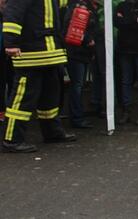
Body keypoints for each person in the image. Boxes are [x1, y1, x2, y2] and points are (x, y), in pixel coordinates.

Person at [1, 0, 77, 153]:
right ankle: (12, 139)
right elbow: (12, 15)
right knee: (22, 99)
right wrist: (11, 43)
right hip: (31, 53)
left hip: (51, 54)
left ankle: (52, 132)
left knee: (50, 97)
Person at [114, 0, 138, 125]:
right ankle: (126, 110)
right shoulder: (121, 5)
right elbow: (116, 23)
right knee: (126, 80)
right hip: (125, 49)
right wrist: (135, 19)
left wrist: (126, 20)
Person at [63, 0, 99, 129]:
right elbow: (71, 28)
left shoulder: (87, 6)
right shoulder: (76, 6)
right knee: (77, 86)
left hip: (83, 53)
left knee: (78, 85)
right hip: (76, 52)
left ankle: (77, 115)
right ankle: (77, 118)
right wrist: (87, 40)